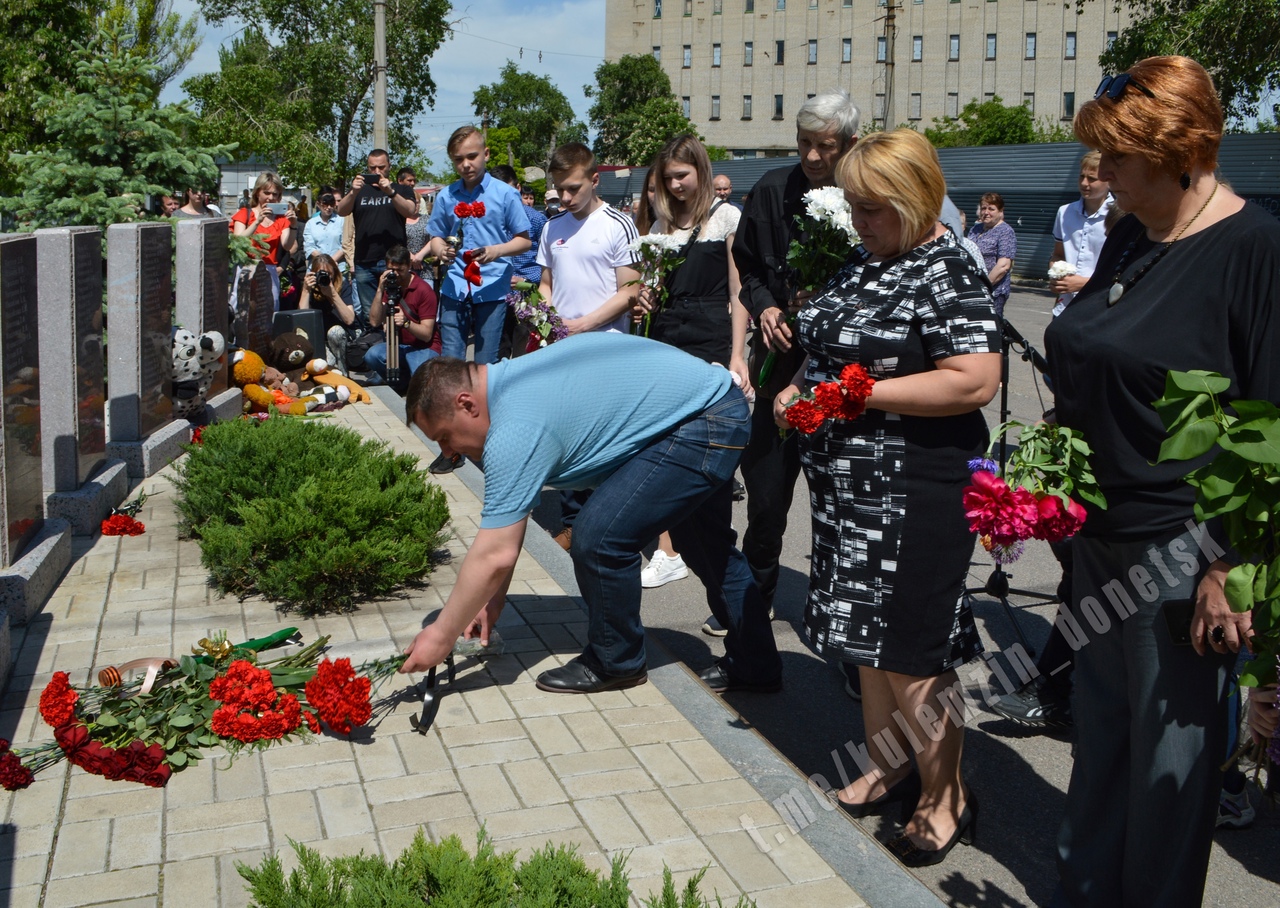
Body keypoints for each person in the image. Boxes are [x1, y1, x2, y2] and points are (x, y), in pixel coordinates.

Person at [1044, 56, 1278, 908]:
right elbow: (1095, 345)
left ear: (1181, 151)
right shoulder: (1133, 230)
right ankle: (1085, 891)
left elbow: (1271, 430)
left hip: (1182, 552)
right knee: (1100, 738)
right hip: (1099, 534)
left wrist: (1229, 570)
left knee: (1168, 768)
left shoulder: (1254, 250)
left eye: (1120, 162)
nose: (1104, 179)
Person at [774, 128, 1001, 868]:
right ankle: (891, 763)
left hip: (914, 493)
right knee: (868, 645)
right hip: (852, 491)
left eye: (873, 208)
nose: (860, 222)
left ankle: (947, 797)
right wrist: (800, 389)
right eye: (855, 207)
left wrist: (852, 395)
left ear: (914, 199)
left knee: (911, 652)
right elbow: (830, 348)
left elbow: (972, 379)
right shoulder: (871, 260)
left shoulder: (946, 269)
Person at [398, 333, 783, 699]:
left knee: (600, 539)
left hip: (702, 420)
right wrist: (490, 600)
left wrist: (441, 634)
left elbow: (496, 553)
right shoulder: (510, 381)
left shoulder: (515, 425)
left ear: (467, 404)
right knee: (706, 545)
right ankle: (756, 664)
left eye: (445, 437)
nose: (450, 453)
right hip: (710, 403)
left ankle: (615, 663)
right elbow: (504, 540)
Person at [726, 88, 859, 639]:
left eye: (824, 146)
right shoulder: (771, 190)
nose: (811, 157)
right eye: (803, 144)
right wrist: (767, 308)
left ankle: (842, 626)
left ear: (848, 145)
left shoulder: (864, 196)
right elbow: (748, 266)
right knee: (765, 499)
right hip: (777, 369)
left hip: (838, 375)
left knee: (841, 512)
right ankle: (754, 609)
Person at [637, 134, 750, 591]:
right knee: (665, 442)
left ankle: (716, 553)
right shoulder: (661, 225)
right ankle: (670, 548)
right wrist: (642, 300)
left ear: (701, 171)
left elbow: (739, 290)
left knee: (710, 446)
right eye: (668, 179)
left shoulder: (726, 217)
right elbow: (648, 288)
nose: (675, 185)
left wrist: (738, 354)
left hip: (711, 341)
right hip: (665, 341)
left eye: (681, 175)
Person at [536, 142, 641, 551]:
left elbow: (630, 290)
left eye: (573, 188)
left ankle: (611, 524)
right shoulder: (552, 227)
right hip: (564, 350)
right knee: (569, 439)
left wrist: (582, 324)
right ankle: (575, 524)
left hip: (607, 351)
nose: (565, 197)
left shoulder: (618, 224)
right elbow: (546, 285)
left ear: (595, 180)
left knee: (607, 442)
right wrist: (548, 319)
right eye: (559, 188)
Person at [335, 149, 418, 322]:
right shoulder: (359, 191)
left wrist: (390, 192)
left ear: (389, 167)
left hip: (394, 261)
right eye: (372, 168)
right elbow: (341, 210)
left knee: (399, 309)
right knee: (370, 314)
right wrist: (353, 191)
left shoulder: (401, 189)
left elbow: (410, 211)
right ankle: (375, 345)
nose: (377, 172)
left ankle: (398, 345)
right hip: (365, 261)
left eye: (381, 167)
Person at [364, 245, 441, 387]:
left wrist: (406, 323)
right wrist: (380, 289)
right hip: (400, 346)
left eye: (400, 270)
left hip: (424, 347)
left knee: (420, 378)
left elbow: (427, 335)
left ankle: (411, 382)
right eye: (391, 270)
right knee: (372, 355)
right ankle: (401, 383)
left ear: (409, 265)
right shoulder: (390, 285)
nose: (396, 274)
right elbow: (374, 322)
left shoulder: (424, 290)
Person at [1049, 151, 1113, 315]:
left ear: (1108, 180)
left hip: (1100, 306)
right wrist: (1055, 274)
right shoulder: (1065, 212)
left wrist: (1084, 283)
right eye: (1081, 176)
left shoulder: (1121, 215)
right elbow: (1058, 255)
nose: (1084, 183)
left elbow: (1123, 270)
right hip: (1065, 307)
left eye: (1092, 178)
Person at [230, 171, 298, 309]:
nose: (271, 198)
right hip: (246, 269)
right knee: (241, 314)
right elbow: (237, 241)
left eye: (275, 194)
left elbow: (287, 245)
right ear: (257, 193)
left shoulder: (281, 219)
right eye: (266, 193)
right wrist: (257, 222)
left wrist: (293, 226)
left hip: (269, 271)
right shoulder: (245, 213)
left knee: (267, 316)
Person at [298, 253, 365, 370]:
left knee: (335, 332)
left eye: (328, 274)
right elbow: (303, 320)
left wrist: (332, 294)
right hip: (321, 339)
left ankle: (344, 372)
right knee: (326, 365)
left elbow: (349, 319)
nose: (325, 277)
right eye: (320, 274)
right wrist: (305, 290)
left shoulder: (342, 285)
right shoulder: (310, 288)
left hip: (343, 336)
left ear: (334, 273)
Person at [967, 192, 1017, 317]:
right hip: (971, 287)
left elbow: (1003, 265)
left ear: (1000, 211)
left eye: (991, 209)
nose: (986, 212)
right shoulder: (975, 229)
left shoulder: (1005, 232)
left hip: (992, 289)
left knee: (991, 325)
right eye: (984, 208)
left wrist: (984, 286)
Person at [303, 188, 353, 305]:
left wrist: (331, 261)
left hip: (338, 269)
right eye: (325, 204)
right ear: (318, 204)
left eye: (331, 204)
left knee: (339, 299)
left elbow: (345, 244)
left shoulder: (342, 221)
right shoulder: (311, 224)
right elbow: (309, 247)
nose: (329, 207)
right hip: (316, 269)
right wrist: (324, 262)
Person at [397, 167, 432, 275]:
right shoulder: (394, 199)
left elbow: (434, 237)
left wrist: (419, 256)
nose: (412, 183)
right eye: (409, 180)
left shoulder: (425, 218)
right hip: (401, 264)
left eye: (414, 181)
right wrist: (410, 256)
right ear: (400, 181)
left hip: (423, 266)